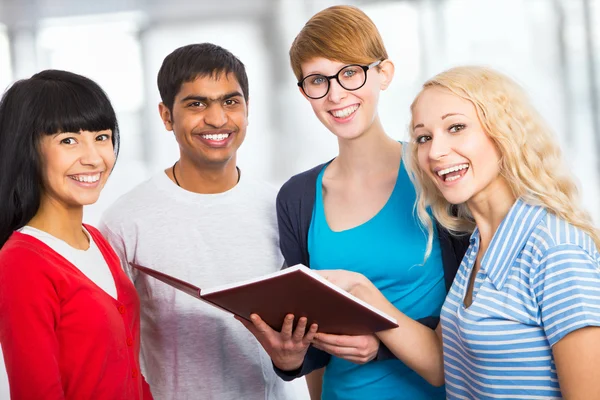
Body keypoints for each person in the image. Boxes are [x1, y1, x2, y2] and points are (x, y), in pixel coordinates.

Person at [316, 65, 600, 399]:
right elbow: (443, 364)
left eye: (456, 127)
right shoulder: (479, 242)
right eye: (424, 137)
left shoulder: (555, 250)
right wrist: (363, 292)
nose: (435, 152)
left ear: (504, 132)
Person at [238, 5, 469, 400]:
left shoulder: (441, 171)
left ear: (384, 73)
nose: (335, 94)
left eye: (349, 73)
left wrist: (381, 345)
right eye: (317, 80)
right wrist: (289, 357)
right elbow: (310, 339)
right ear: (304, 93)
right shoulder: (297, 197)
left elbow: (474, 314)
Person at [99, 43, 298, 400]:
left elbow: (294, 338)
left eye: (230, 102)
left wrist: (290, 360)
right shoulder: (124, 221)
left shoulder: (278, 208)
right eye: (197, 104)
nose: (218, 119)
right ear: (166, 116)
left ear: (247, 110)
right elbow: (111, 347)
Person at [0, 70, 153, 399]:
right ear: (27, 149)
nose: (94, 157)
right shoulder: (21, 263)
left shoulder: (96, 240)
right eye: (68, 140)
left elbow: (128, 371)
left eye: (101, 136)